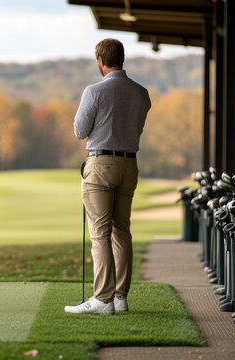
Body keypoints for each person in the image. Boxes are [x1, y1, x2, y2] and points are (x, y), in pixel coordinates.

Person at [65, 38, 151, 315]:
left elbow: (80, 131)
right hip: (129, 166)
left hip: (101, 164)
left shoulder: (93, 91)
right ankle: (120, 298)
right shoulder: (142, 93)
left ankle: (103, 300)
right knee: (121, 231)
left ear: (101, 61)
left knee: (100, 234)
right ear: (121, 59)